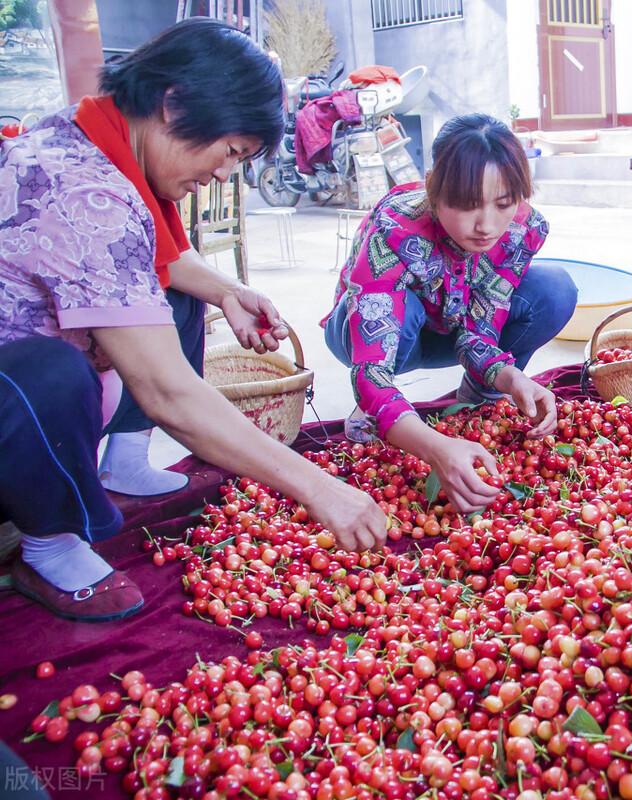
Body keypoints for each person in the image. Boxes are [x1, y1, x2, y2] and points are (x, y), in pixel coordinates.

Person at [0, 18, 388, 623]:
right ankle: (47, 542)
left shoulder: (84, 135)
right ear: (173, 101)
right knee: (48, 376)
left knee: (176, 292)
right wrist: (317, 486)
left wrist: (228, 291)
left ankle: (122, 462)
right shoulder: (89, 194)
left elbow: (154, 259)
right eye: (231, 151)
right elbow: (167, 392)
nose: (223, 174)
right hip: (16, 398)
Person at [323, 113, 577, 513]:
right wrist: (434, 447)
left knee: (554, 289)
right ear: (433, 189)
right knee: (400, 319)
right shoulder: (396, 231)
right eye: (466, 204)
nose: (486, 225)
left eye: (503, 202)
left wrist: (513, 379)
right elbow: (369, 366)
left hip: (452, 326)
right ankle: (382, 405)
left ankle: (480, 398)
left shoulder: (519, 231)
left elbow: (479, 331)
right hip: (372, 335)